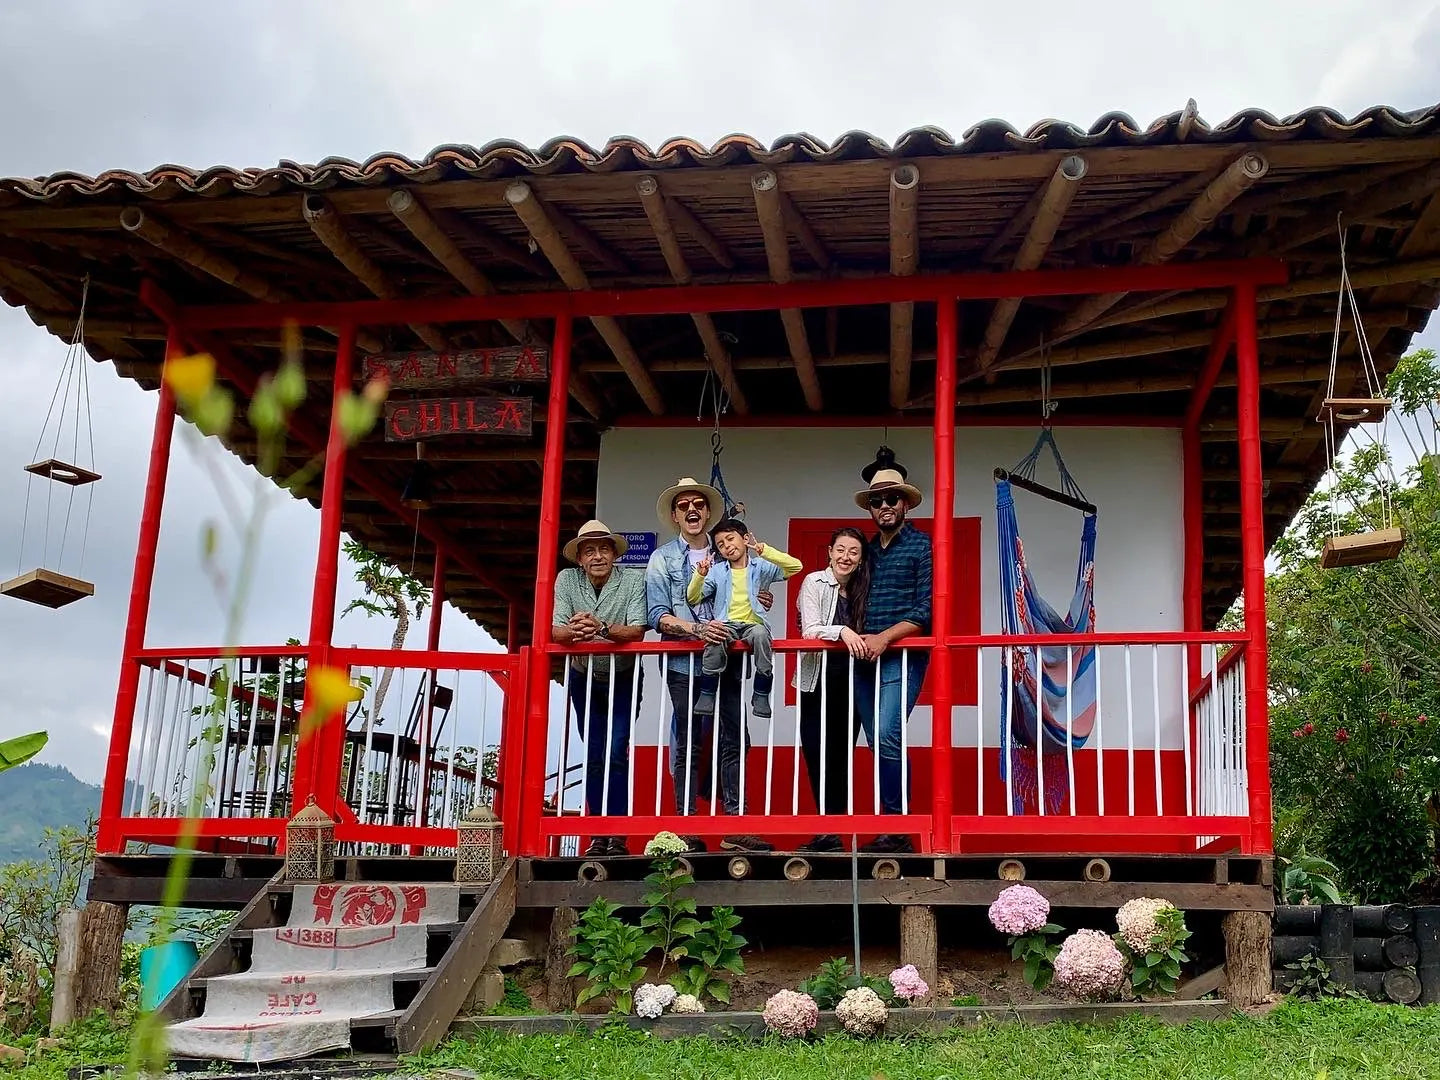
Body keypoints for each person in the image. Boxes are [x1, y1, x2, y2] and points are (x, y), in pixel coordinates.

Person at [644, 478, 774, 854]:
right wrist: (698, 628)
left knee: (735, 737)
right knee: (689, 740)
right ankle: (687, 826)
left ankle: (737, 826)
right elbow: (657, 615)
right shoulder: (662, 558)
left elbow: (751, 595)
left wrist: (759, 600)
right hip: (685, 663)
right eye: (683, 505)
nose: (691, 510)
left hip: (729, 660)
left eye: (698, 503)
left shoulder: (728, 553)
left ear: (708, 512)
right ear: (674, 516)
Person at [551, 520, 648, 856]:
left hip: (624, 675)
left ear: (614, 554)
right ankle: (597, 833)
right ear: (579, 558)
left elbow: (637, 630)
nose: (597, 556)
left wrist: (601, 627)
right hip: (584, 676)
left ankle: (617, 834)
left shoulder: (634, 579)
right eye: (589, 550)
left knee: (616, 750)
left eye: (603, 549)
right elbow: (555, 631)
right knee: (594, 753)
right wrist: (578, 631)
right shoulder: (567, 580)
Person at [853, 461, 931, 854]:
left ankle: (897, 826)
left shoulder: (923, 546)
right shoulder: (865, 551)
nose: (884, 505)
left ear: (905, 504)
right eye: (876, 500)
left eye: (891, 498)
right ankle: (891, 824)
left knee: (888, 733)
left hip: (903, 656)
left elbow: (927, 608)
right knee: (876, 740)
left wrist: (885, 637)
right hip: (863, 658)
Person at [793, 527, 871, 853]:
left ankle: (833, 831)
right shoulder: (814, 582)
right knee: (815, 752)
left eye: (853, 552)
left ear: (861, 558)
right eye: (840, 549)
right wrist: (842, 631)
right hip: (816, 682)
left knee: (840, 757)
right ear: (829, 551)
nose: (846, 557)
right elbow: (811, 631)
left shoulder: (865, 589)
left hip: (852, 683)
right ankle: (827, 827)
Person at [686, 518, 803, 719]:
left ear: (745, 538)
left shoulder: (761, 566)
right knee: (716, 636)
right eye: (721, 545)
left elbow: (795, 567)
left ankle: (761, 693)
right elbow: (693, 597)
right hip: (727, 624)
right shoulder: (717, 572)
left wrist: (765, 550)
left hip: (753, 624)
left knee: (761, 635)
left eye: (730, 539)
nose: (727, 547)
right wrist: (700, 575)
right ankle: (707, 692)